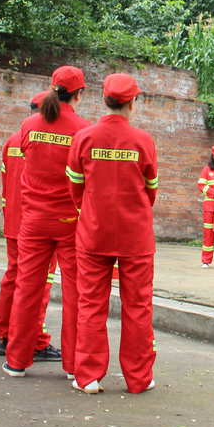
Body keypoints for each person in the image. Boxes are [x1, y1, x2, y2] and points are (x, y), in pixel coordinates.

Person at [67, 73, 158, 394]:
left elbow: (75, 188)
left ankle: (88, 377)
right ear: (133, 102)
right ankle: (139, 379)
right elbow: (150, 191)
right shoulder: (143, 141)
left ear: (104, 100)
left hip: (94, 233)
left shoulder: (84, 138)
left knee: (90, 304)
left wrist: (92, 211)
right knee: (138, 306)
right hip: (136, 236)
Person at [3, 66, 90, 378]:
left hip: (33, 221)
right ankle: (73, 366)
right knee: (75, 292)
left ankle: (16, 361)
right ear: (79, 94)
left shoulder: (28, 125)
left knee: (27, 288)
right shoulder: (84, 130)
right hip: (70, 221)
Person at [0, 91, 61, 362]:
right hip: (40, 221)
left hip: (14, 221)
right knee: (39, 284)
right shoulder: (51, 138)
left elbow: (5, 180)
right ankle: (37, 340)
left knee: (13, 277)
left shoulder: (13, 140)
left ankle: (3, 336)